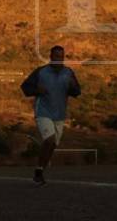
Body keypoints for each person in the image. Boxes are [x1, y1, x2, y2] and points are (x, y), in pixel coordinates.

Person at [20, 45, 81, 185]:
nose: (59, 59)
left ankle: (39, 171)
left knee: (53, 144)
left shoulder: (68, 73)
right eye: (56, 56)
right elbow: (25, 87)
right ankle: (39, 172)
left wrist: (73, 86)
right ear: (51, 57)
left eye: (61, 57)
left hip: (59, 114)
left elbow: (77, 92)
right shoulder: (41, 72)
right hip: (43, 112)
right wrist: (36, 90)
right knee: (49, 140)